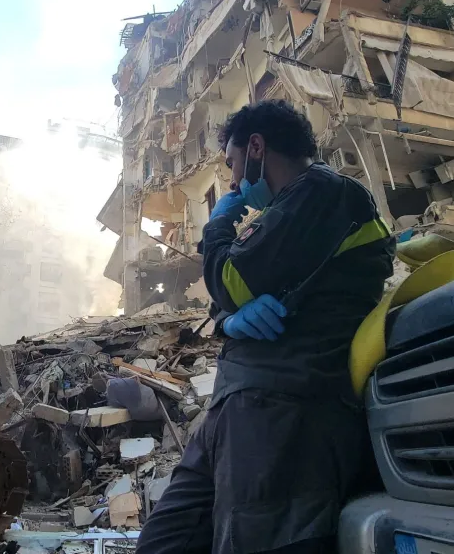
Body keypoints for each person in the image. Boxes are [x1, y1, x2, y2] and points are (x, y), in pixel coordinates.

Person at [135, 100, 395, 554]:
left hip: (286, 407)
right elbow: (237, 293)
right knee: (163, 542)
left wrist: (216, 230)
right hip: (237, 406)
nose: (233, 181)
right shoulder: (289, 213)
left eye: (233, 164)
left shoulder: (324, 192)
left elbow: (235, 280)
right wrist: (229, 321)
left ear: (257, 147)